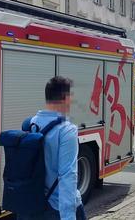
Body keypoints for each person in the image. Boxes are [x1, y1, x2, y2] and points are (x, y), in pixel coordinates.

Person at [24, 76, 86, 220]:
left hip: (34, 202)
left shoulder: (31, 123)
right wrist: (68, 217)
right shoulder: (66, 130)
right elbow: (67, 175)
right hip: (56, 207)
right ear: (65, 98)